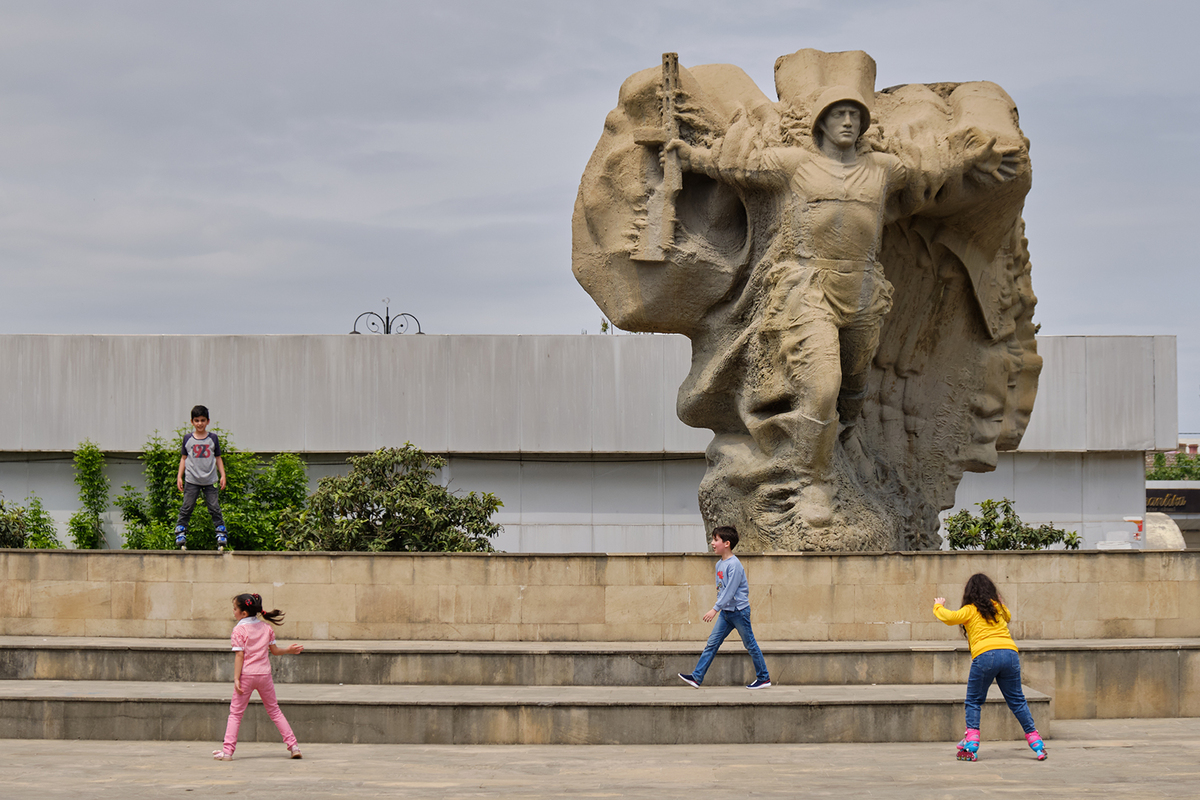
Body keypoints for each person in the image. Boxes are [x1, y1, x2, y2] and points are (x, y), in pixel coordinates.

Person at [667, 89, 1019, 529]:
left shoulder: (882, 169)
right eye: (839, 114)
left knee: (851, 389)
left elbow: (929, 168)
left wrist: (970, 161)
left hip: (864, 289)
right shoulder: (794, 166)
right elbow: (737, 167)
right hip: (807, 287)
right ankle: (811, 483)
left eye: (855, 114)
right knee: (821, 386)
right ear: (821, 123)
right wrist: (689, 156)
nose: (848, 122)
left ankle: (840, 449)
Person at [934, 573, 1047, 762]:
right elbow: (1008, 616)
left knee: (974, 701)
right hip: (1010, 654)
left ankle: (972, 742)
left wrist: (938, 605)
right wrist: (1000, 602)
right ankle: (1036, 742)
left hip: (986, 655)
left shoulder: (970, 610)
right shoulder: (998, 608)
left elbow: (949, 617)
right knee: (1017, 700)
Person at [213, 592, 304, 761]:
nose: (233, 612)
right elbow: (275, 651)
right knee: (274, 710)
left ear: (244, 613)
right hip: (264, 675)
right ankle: (294, 746)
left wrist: (236, 678)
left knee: (235, 714)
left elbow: (239, 656)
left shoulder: (239, 630)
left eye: (235, 609)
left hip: (247, 675)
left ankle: (227, 751)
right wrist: (289, 650)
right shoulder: (266, 628)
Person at [678, 526, 771, 689]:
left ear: (726, 543)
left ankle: (763, 678)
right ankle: (697, 677)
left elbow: (730, 591)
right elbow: (721, 589)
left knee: (750, 645)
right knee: (712, 644)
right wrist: (720, 608)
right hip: (726, 613)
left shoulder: (734, 565)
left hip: (739, 612)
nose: (712, 543)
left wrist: (715, 609)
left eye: (716, 540)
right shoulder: (719, 564)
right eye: (713, 539)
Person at [174, 404, 227, 550]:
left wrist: (223, 475)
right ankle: (180, 530)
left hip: (210, 480)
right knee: (187, 506)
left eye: (203, 420)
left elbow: (218, 458)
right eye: (196, 420)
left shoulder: (213, 438)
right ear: (192, 422)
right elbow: (184, 458)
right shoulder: (187, 439)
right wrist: (179, 476)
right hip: (192, 480)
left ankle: (220, 531)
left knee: (214, 507)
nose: (200, 423)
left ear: (208, 421)